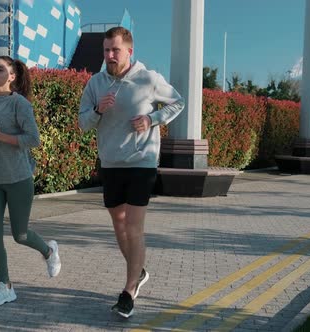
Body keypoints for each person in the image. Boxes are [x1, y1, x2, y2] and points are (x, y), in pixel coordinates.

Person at [78, 27, 185, 318]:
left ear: (129, 51)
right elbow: (83, 123)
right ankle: (138, 271)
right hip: (110, 164)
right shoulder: (95, 83)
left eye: (115, 50)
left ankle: (128, 291)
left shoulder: (148, 78)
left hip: (142, 162)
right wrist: (98, 110)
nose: (109, 56)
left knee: (134, 227)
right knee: (119, 225)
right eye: (106, 51)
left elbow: (178, 101)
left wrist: (152, 119)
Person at [0, 55, 61, 307]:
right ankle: (5, 286)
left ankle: (49, 251)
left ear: (12, 76)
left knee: (20, 234)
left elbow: (33, 139)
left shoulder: (19, 104)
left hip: (18, 177)